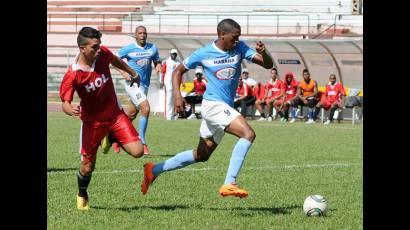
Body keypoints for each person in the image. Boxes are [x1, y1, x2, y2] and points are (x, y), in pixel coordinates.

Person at [140, 18, 273, 198]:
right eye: (234, 37)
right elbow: (178, 71)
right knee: (248, 134)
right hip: (213, 106)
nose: (237, 40)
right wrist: (178, 95)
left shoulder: (239, 48)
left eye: (238, 37)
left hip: (224, 107)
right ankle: (229, 183)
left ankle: (153, 170)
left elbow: (267, 64)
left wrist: (264, 53)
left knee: (201, 155)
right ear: (221, 34)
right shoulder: (204, 53)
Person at [59, 27, 144, 210]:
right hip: (92, 123)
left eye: (100, 46)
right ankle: (82, 194)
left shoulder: (102, 54)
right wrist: (70, 109)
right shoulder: (73, 74)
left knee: (138, 151)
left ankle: (110, 136)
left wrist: (132, 73)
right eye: (95, 47)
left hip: (115, 115)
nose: (99, 50)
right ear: (82, 48)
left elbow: (115, 60)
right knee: (87, 167)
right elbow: (65, 103)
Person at [114, 25, 162, 155]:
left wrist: (158, 67)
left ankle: (115, 138)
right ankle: (142, 142)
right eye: (140, 33)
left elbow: (157, 61)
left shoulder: (152, 48)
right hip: (132, 84)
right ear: (136, 35)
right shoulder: (129, 49)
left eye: (144, 33)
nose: (142, 35)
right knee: (146, 109)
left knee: (131, 114)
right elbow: (113, 60)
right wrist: (123, 72)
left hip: (144, 85)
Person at [161, 49, 181, 120]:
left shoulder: (178, 62)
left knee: (174, 99)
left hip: (175, 83)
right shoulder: (166, 62)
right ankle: (168, 116)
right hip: (168, 82)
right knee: (169, 99)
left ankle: (172, 115)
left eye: (175, 54)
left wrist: (181, 82)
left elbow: (180, 74)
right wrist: (162, 81)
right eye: (173, 54)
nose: (174, 55)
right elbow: (163, 72)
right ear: (170, 54)